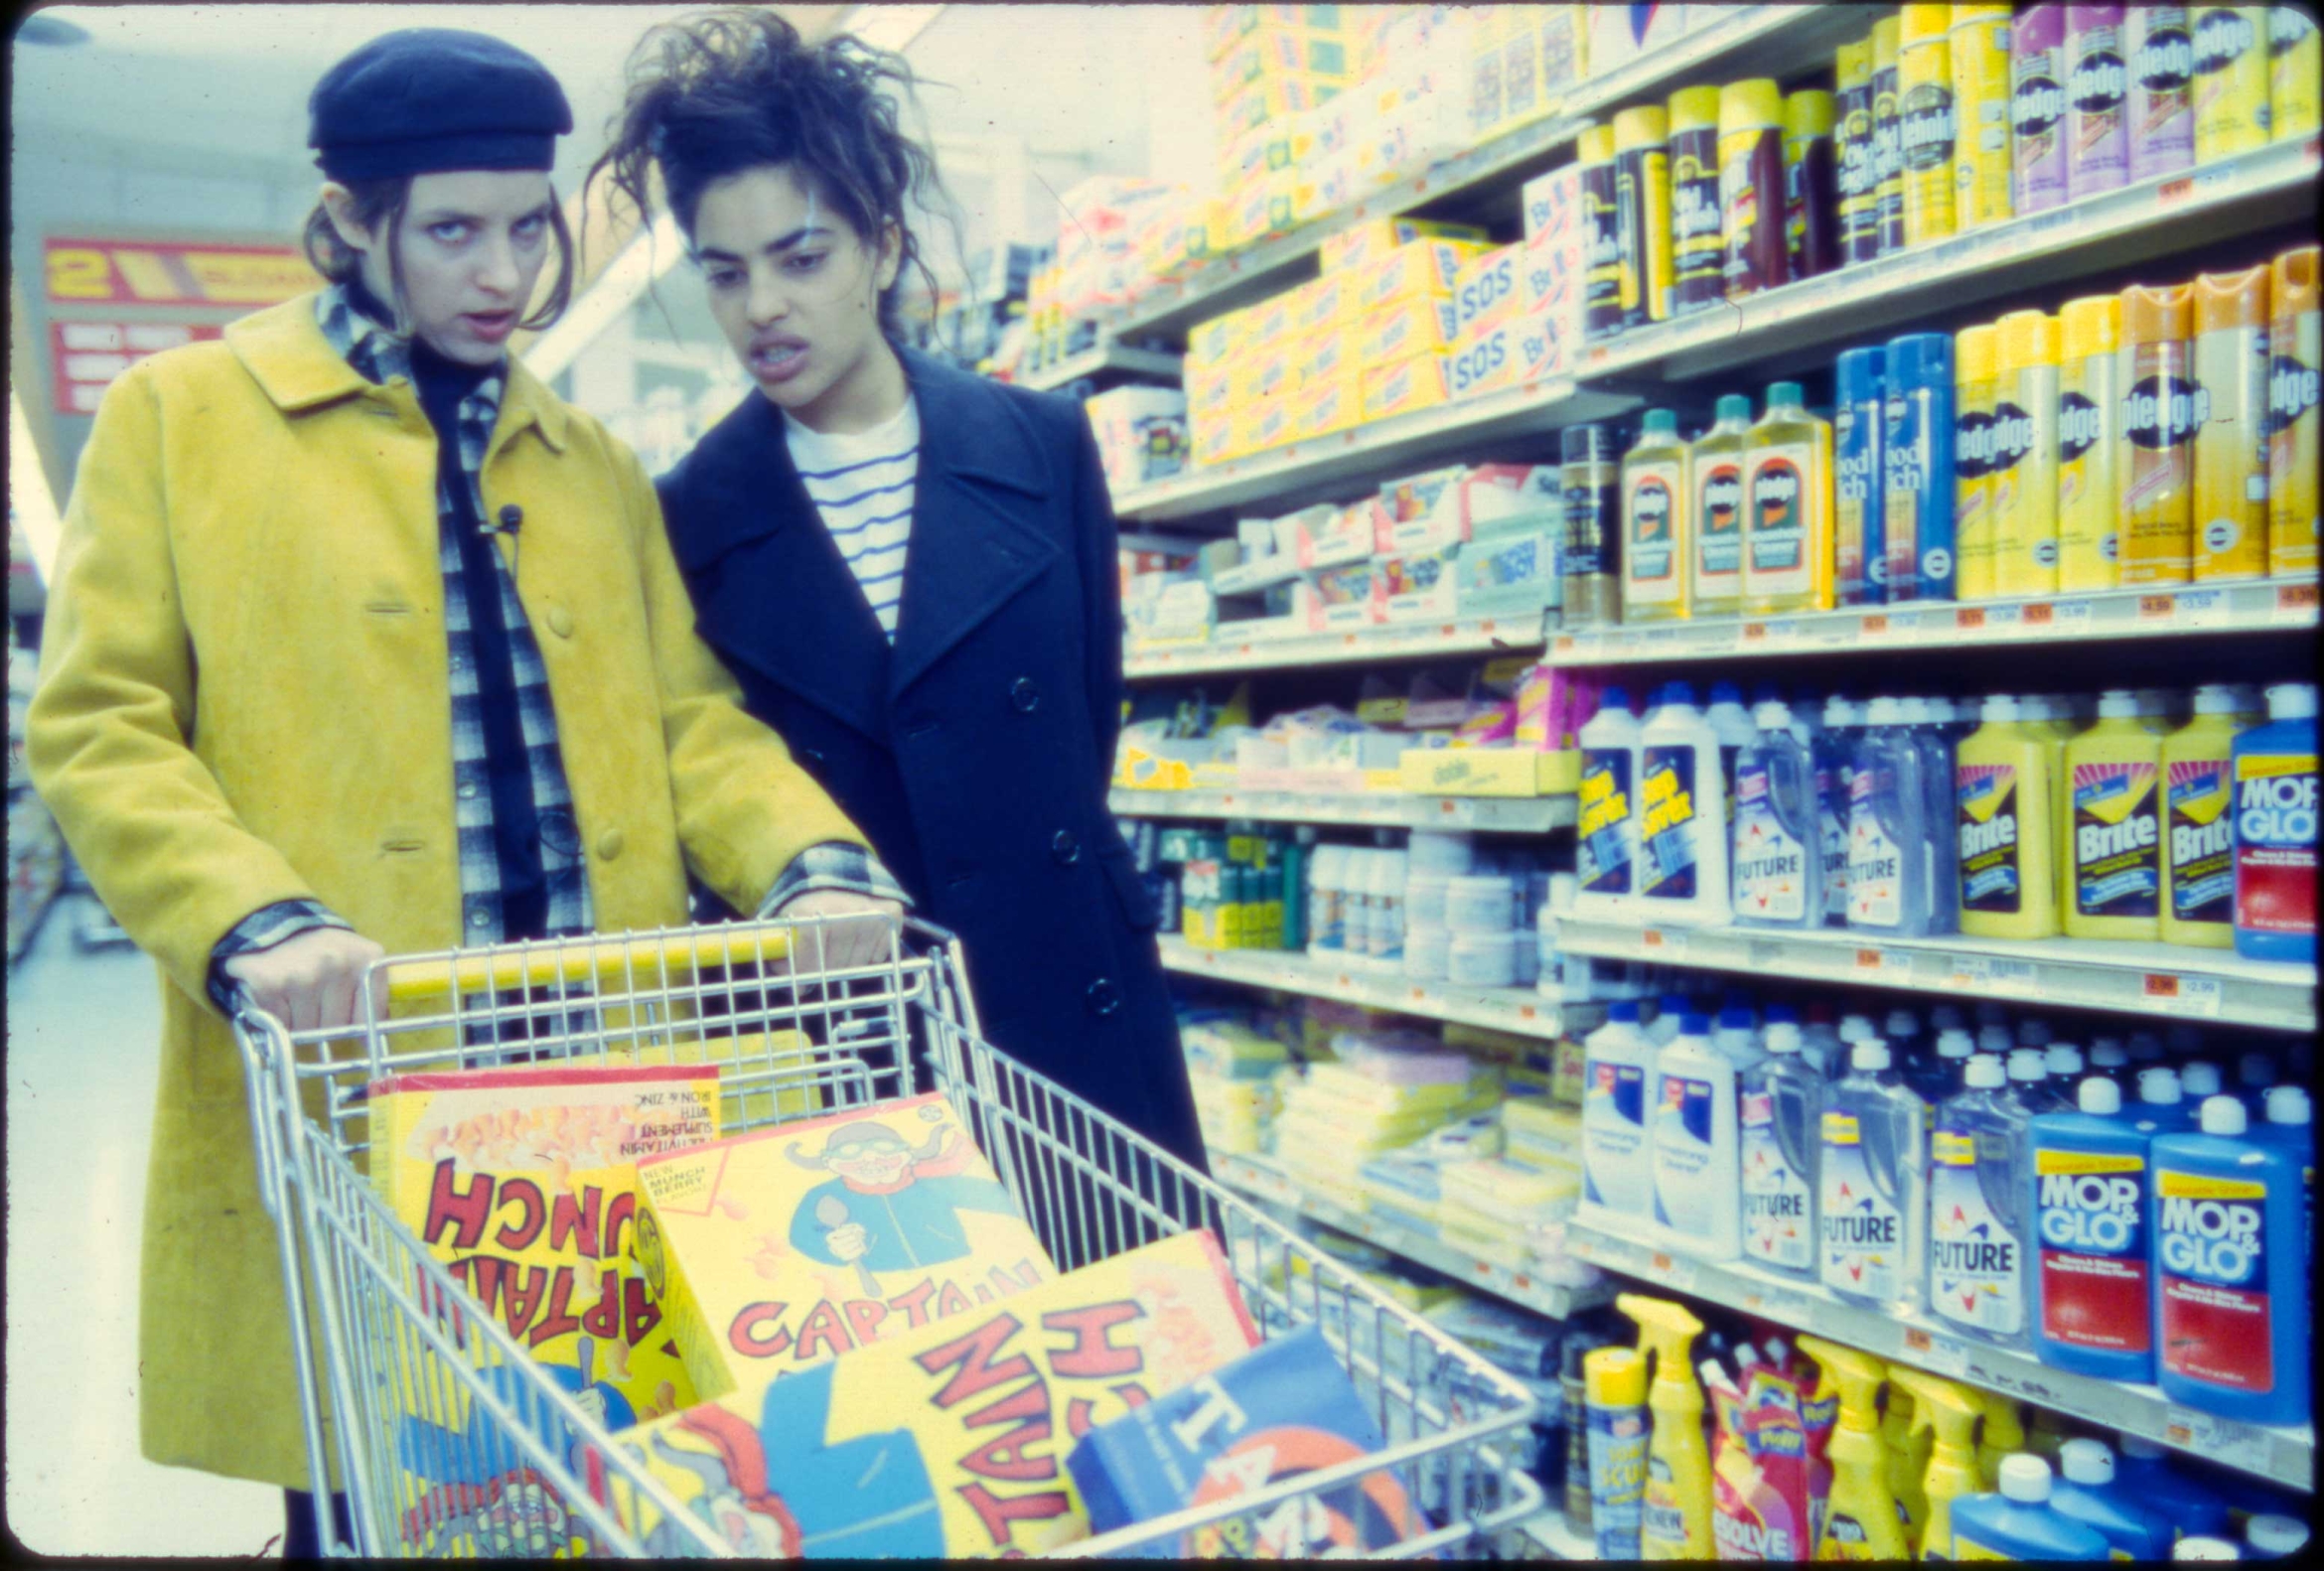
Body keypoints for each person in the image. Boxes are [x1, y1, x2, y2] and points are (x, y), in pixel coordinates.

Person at [25, 29, 903, 1556]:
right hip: (353, 1084)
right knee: (373, 1488)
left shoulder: (592, 467)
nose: (499, 271)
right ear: (351, 224)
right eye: (449, 230)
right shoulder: (182, 421)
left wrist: (814, 864)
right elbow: (102, 723)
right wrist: (257, 922)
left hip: (596, 1085)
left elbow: (694, 725)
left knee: (602, 1486)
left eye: (526, 224)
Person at [589, 10, 1207, 1173]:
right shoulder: (684, 518)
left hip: (1074, 1005)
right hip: (854, 1040)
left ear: (879, 244)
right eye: (727, 274)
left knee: (1136, 1330)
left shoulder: (1040, 444)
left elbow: (1086, 721)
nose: (762, 306)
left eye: (801, 257)